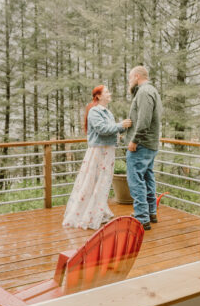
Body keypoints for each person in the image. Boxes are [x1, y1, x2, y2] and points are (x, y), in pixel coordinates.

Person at [62, 85, 132, 229]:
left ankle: (98, 210)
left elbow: (111, 131)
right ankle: (88, 213)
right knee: (93, 181)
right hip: (99, 152)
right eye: (107, 92)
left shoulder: (107, 112)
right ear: (98, 96)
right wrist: (121, 125)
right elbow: (102, 129)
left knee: (103, 182)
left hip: (108, 151)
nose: (109, 94)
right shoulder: (94, 112)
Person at [124, 65, 162, 230]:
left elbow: (144, 120)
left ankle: (141, 217)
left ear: (137, 76)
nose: (129, 81)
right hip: (150, 144)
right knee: (147, 178)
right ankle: (150, 212)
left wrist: (134, 140)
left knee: (136, 180)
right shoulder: (151, 91)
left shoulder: (144, 92)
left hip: (142, 144)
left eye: (130, 78)